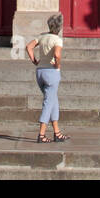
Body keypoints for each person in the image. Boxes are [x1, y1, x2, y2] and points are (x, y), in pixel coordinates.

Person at [26, 13, 68, 144]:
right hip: (51, 73)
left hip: (40, 71)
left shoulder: (42, 37)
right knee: (48, 103)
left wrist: (34, 60)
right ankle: (41, 134)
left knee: (53, 101)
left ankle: (57, 132)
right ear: (60, 27)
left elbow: (28, 47)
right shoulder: (57, 40)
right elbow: (57, 54)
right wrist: (57, 64)